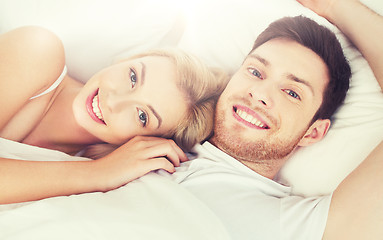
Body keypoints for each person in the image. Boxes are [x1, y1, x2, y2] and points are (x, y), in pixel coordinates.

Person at [155, 0, 383, 239]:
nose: (260, 94)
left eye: (292, 93)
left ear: (312, 133)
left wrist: (335, 6)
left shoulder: (294, 226)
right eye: (255, 72)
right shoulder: (147, 126)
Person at [0, 27, 229, 204]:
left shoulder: (99, 174)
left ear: (147, 142)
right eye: (133, 77)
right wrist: (97, 174)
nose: (113, 100)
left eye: (142, 116)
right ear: (127, 59)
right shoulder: (37, 49)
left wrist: (102, 172)